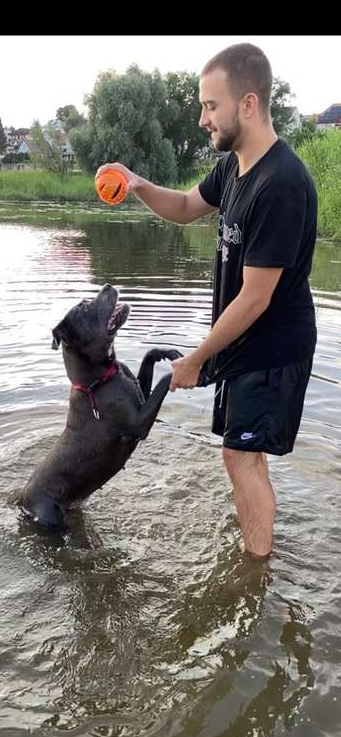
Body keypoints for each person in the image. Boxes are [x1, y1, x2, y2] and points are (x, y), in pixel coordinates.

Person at [95, 43, 317, 560]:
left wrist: (196, 358)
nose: (202, 119)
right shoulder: (234, 168)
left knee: (241, 456)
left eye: (210, 106)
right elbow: (184, 206)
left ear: (248, 103)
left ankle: (256, 570)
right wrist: (136, 183)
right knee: (240, 456)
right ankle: (256, 554)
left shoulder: (281, 183)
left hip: (273, 348)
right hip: (244, 344)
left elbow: (256, 298)